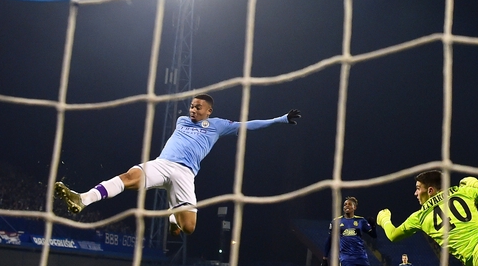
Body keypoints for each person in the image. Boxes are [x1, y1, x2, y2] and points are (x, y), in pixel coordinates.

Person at [53, 93, 301, 235]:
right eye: (192, 105)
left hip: (185, 175)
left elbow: (249, 125)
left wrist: (281, 119)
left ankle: (173, 218)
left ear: (209, 110)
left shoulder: (219, 126)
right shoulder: (182, 120)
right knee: (130, 176)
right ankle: (82, 198)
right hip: (163, 164)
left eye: (198, 107)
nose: (192, 109)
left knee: (189, 228)